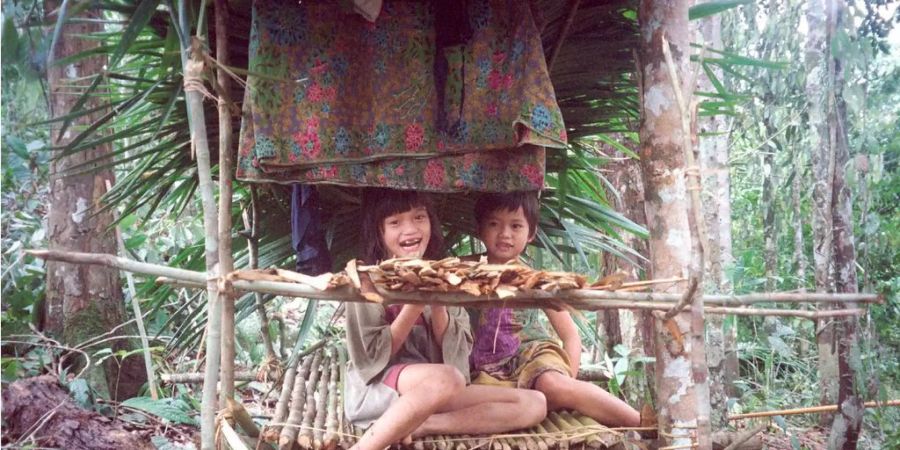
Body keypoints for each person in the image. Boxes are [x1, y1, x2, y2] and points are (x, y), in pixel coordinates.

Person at [345, 188, 547, 450]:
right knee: (447, 378)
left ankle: (424, 424)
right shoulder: (365, 280)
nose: (410, 229)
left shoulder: (445, 275)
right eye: (395, 222)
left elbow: (456, 355)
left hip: (437, 392)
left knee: (535, 403)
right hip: (381, 389)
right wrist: (415, 303)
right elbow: (371, 360)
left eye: (419, 217)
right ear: (379, 230)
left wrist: (438, 299)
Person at [469, 192, 641, 427]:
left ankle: (642, 423)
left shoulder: (537, 280)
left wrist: (565, 383)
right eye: (494, 224)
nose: (505, 234)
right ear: (479, 228)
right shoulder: (459, 273)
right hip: (483, 369)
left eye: (516, 225)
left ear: (530, 233)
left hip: (532, 357)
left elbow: (570, 336)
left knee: (552, 385)